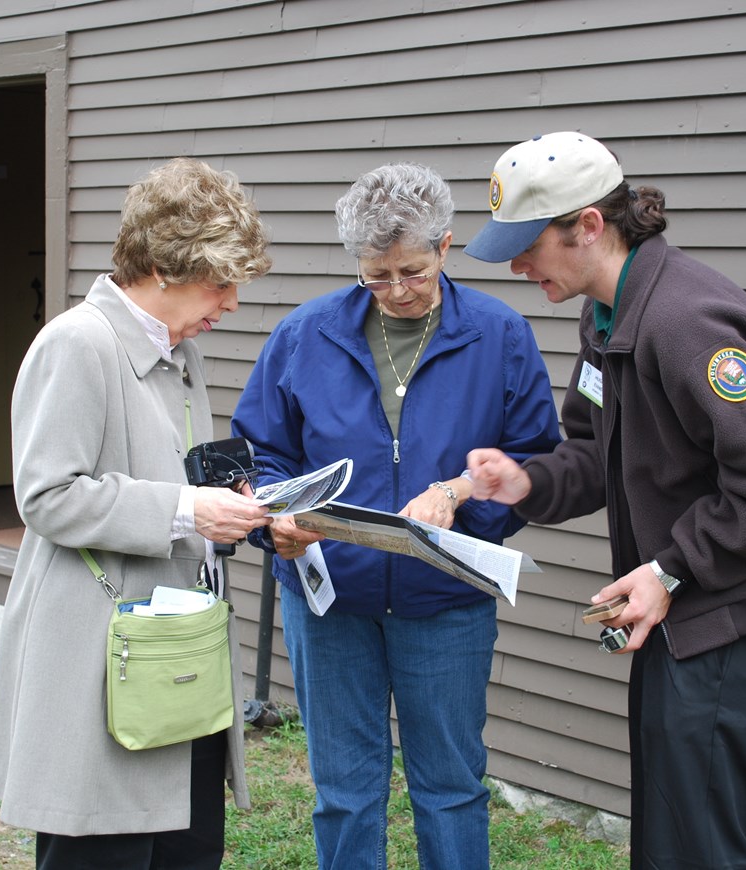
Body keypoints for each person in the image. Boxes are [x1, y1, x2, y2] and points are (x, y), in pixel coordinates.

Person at [464, 132, 746, 870]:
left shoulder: (687, 323)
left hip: (743, 625)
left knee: (704, 848)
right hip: (687, 612)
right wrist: (529, 482)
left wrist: (669, 569)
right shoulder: (608, 318)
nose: (516, 265)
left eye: (528, 244)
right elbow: (593, 450)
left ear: (591, 226)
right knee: (672, 840)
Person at [231, 162, 559, 869]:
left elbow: (535, 457)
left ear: (446, 247)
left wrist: (463, 497)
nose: (398, 291)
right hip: (330, 605)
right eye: (375, 277)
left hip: (446, 601)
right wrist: (274, 522)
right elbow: (263, 451)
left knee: (449, 786)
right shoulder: (305, 334)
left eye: (413, 271)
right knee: (345, 789)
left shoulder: (500, 336)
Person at [0, 157, 274, 870]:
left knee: (187, 850)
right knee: (103, 853)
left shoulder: (181, 349)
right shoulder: (77, 343)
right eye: (220, 281)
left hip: (177, 654)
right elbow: (48, 495)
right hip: (97, 658)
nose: (231, 302)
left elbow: (174, 475)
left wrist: (232, 507)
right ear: (168, 267)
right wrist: (185, 509)